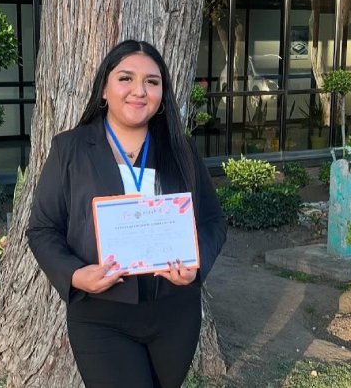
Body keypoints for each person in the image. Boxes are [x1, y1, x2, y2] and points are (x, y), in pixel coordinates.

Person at [26, 40, 227, 388]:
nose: (139, 91)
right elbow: (42, 228)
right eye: (126, 78)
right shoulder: (70, 148)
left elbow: (212, 221)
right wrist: (75, 275)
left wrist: (196, 266)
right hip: (101, 313)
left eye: (152, 81)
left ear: (162, 92)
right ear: (104, 89)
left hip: (174, 313)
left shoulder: (180, 149)